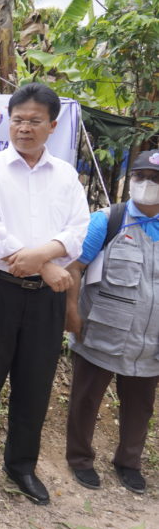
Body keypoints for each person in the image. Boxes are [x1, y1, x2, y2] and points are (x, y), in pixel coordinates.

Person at [0, 82, 90, 506]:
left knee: (35, 385)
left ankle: (22, 467)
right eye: (18, 120)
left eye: (34, 121)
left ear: (52, 125)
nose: (24, 128)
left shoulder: (66, 175)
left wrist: (48, 255)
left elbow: (78, 229)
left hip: (46, 300)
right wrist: (48, 264)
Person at [64, 149, 159, 494]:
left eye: (155, 179)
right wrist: (71, 311)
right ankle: (80, 459)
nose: (147, 184)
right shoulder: (108, 221)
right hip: (101, 331)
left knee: (140, 406)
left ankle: (128, 462)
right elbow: (74, 267)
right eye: (141, 177)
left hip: (150, 342)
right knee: (86, 399)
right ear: (130, 179)